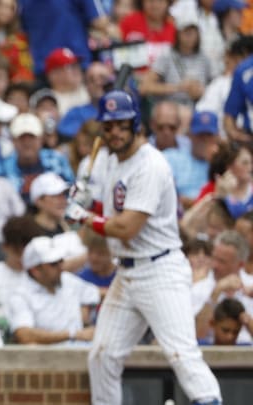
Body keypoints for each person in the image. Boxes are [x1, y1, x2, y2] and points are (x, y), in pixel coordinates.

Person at [64, 90, 221, 405]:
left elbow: (126, 228)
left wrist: (83, 216)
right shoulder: (108, 160)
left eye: (123, 125)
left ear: (136, 124)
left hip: (160, 270)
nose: (116, 132)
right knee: (102, 355)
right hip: (128, 273)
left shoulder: (150, 164)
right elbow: (105, 203)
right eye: (109, 126)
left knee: (182, 355)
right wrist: (82, 196)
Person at [6, 236, 100, 345]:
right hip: (49, 359)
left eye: (61, 260)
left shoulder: (66, 279)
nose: (61, 266)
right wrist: (73, 334)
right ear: (35, 270)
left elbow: (97, 293)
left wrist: (85, 312)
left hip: (82, 353)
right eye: (54, 263)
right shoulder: (20, 295)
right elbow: (24, 334)